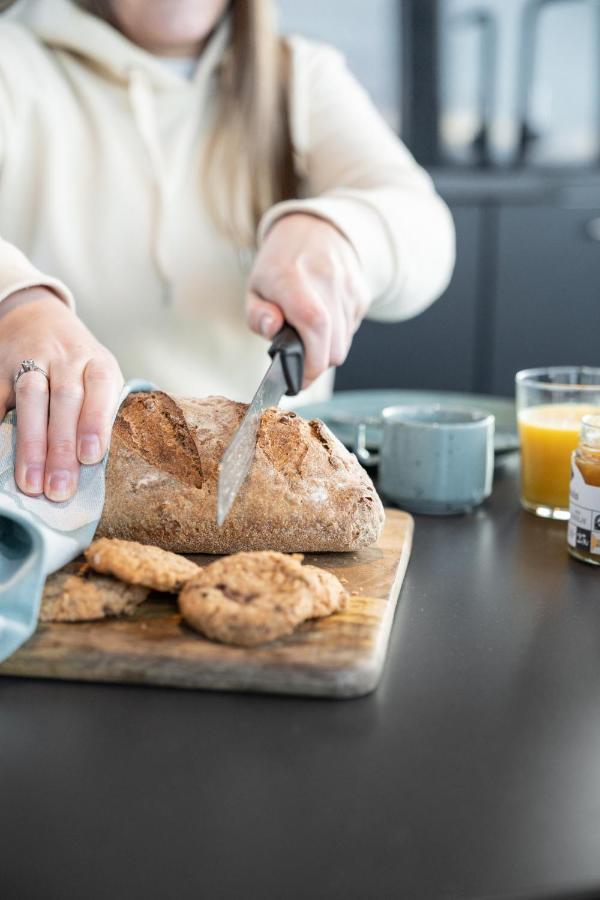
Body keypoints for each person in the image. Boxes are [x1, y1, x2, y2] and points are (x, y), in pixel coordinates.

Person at [0, 0, 455, 503]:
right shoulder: (12, 65)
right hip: (47, 500)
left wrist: (342, 233)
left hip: (279, 506)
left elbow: (426, 228)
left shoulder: (299, 76)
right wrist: (15, 302)